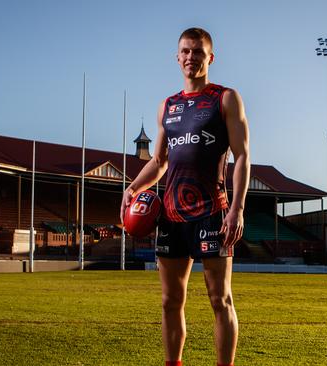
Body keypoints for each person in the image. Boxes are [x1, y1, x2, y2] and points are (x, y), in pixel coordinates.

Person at [120, 27, 250, 366]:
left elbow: (243, 156)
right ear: (177, 57)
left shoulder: (225, 98)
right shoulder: (168, 106)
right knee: (169, 301)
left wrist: (237, 209)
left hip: (212, 213)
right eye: (185, 51)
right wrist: (134, 187)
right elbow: (159, 161)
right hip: (172, 215)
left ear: (210, 58)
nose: (191, 57)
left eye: (197, 51)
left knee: (220, 300)